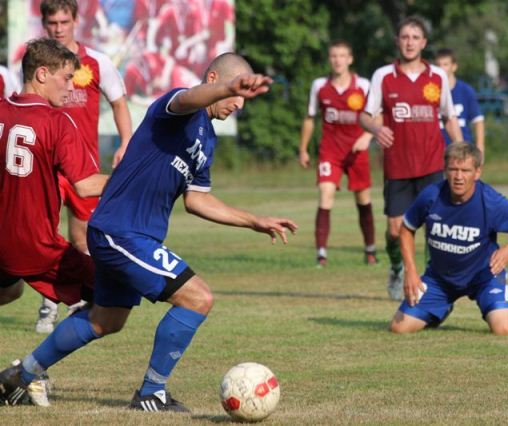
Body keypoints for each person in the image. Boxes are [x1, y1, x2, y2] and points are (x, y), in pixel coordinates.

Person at [0, 52, 298, 412]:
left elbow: (198, 201)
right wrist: (228, 87)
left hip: (133, 235)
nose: (238, 103)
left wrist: (255, 220)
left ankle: (22, 374)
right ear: (215, 79)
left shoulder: (208, 141)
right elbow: (189, 97)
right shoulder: (176, 108)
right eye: (236, 94)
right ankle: (151, 393)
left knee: (104, 320)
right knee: (198, 297)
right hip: (121, 232)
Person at [0, 38, 108, 406]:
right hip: (37, 247)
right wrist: (139, 180)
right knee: (113, 297)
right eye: (66, 77)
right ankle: (27, 372)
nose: (72, 84)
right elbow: (86, 184)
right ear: (42, 74)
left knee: (9, 291)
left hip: (2, 245)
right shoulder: (55, 120)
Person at [35, 0, 134, 334]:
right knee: (44, 235)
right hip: (44, 165)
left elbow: (119, 103)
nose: (58, 28)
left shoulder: (95, 62)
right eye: (52, 22)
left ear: (76, 21)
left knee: (81, 237)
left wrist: (125, 143)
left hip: (83, 169)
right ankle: (49, 304)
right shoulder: (37, 64)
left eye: (64, 21)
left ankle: (85, 298)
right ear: (44, 23)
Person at [389, 143, 508, 335]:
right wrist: (410, 271)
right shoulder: (431, 196)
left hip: (484, 277)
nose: (458, 177)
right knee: (399, 328)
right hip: (440, 279)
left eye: (465, 170)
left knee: (505, 330)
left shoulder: (491, 201)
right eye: (453, 170)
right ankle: (439, 309)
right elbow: (406, 229)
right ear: (445, 171)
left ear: (477, 172)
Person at [360, 16, 463, 300]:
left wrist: (463, 151)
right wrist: (376, 128)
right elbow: (365, 115)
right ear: (397, 41)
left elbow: (449, 117)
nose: (409, 42)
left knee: (434, 225)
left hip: (431, 163)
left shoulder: (437, 77)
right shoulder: (384, 76)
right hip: (398, 166)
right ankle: (397, 268)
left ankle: (430, 280)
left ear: (424, 43)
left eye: (415, 37)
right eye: (405, 37)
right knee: (395, 230)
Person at [299, 40, 377, 267]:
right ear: (329, 59)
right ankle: (321, 255)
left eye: (342, 56)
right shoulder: (319, 86)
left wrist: (367, 137)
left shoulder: (362, 85)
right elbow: (310, 118)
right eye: (334, 56)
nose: (337, 60)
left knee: (363, 199)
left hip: (356, 152)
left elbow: (377, 116)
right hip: (330, 152)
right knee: (325, 194)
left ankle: (370, 250)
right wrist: (303, 149)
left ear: (350, 59)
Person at [434, 48, 485, 154]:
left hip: (462, 151)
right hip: (436, 151)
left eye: (445, 64)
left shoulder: (466, 90)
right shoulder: (430, 91)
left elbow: (478, 120)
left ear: (454, 66)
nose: (441, 68)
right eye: (438, 65)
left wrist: (480, 148)